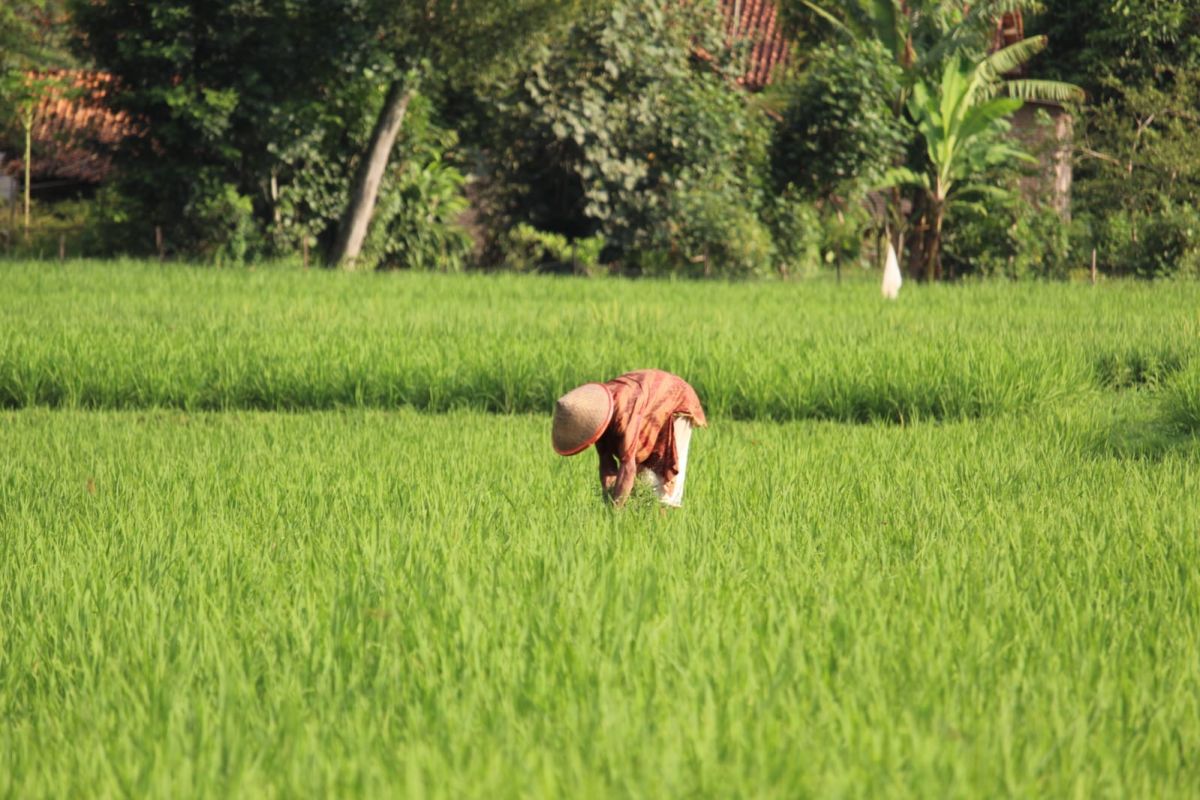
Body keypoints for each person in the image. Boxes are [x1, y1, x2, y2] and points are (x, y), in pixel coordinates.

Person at [552, 369, 707, 507]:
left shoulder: (624, 414)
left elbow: (628, 466)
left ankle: (663, 528)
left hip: (674, 399)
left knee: (657, 488)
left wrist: (615, 510)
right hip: (645, 404)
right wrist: (609, 495)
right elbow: (606, 462)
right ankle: (638, 524)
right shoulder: (597, 414)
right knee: (636, 488)